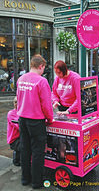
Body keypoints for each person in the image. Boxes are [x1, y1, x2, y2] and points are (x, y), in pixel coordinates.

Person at [17, 54, 53, 189]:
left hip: (22, 119)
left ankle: (25, 179)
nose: (44, 70)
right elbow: (46, 104)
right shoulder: (41, 81)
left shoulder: (21, 79)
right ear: (41, 66)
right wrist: (50, 118)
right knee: (38, 151)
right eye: (44, 68)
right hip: (36, 121)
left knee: (25, 149)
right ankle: (37, 182)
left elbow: (19, 98)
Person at [7, 96, 20, 166]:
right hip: (14, 139)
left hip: (21, 137)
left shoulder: (23, 112)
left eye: (18, 102)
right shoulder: (11, 113)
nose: (16, 104)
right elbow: (18, 126)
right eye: (15, 102)